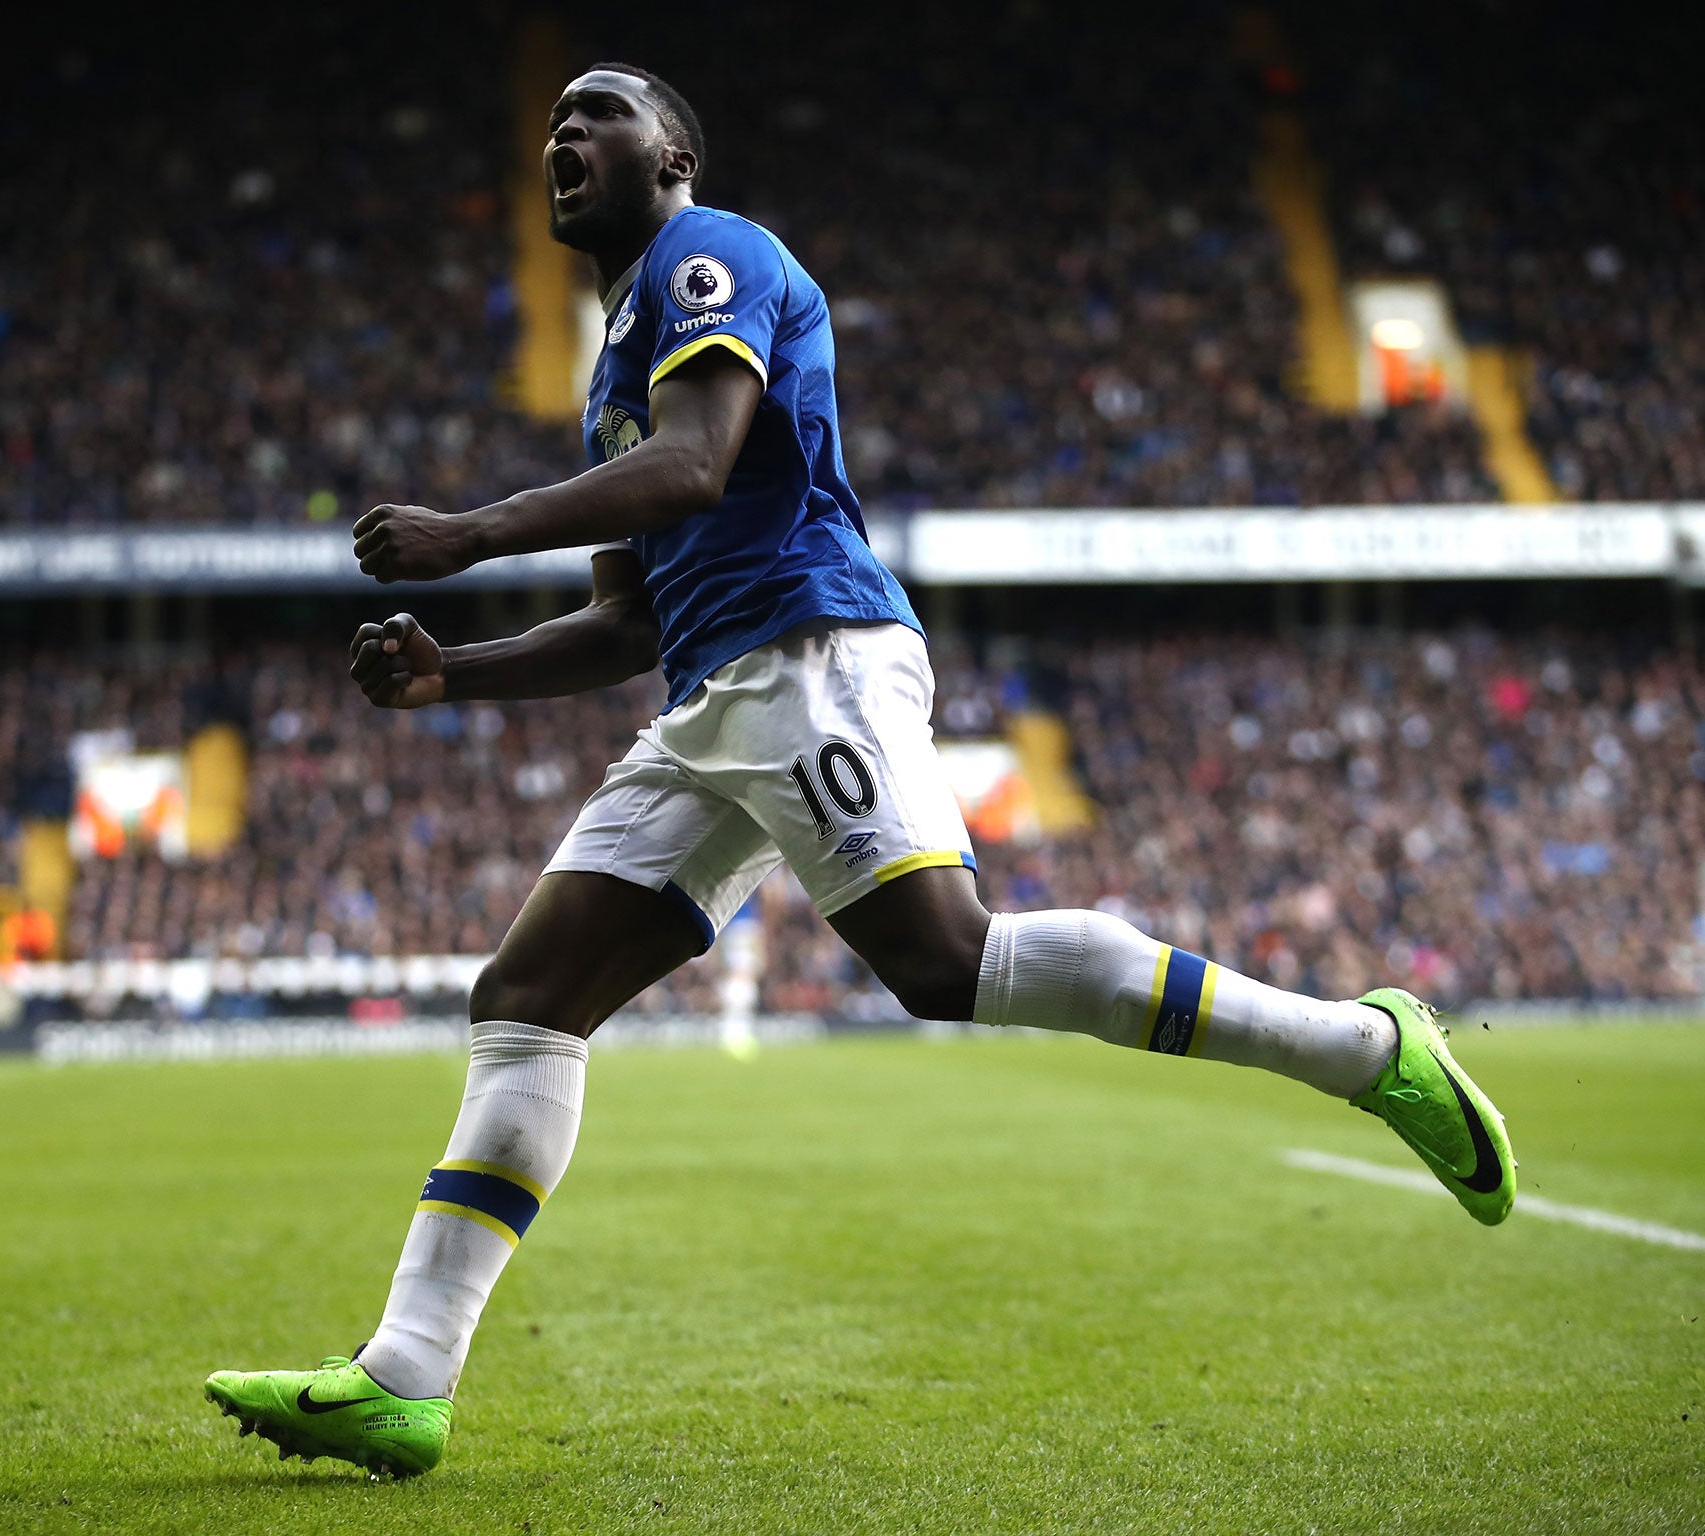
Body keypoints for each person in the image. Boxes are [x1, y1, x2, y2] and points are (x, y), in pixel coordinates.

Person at [203, 63, 1515, 1478]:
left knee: (945, 962)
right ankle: (407, 1377)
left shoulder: (714, 256)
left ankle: (1371, 1051)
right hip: (713, 695)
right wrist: (451, 674)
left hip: (809, 648)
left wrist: (470, 532)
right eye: (551, 122)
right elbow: (629, 620)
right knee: (526, 997)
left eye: (598, 114)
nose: (563, 136)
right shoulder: (610, 376)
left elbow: (703, 466)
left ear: (675, 152)